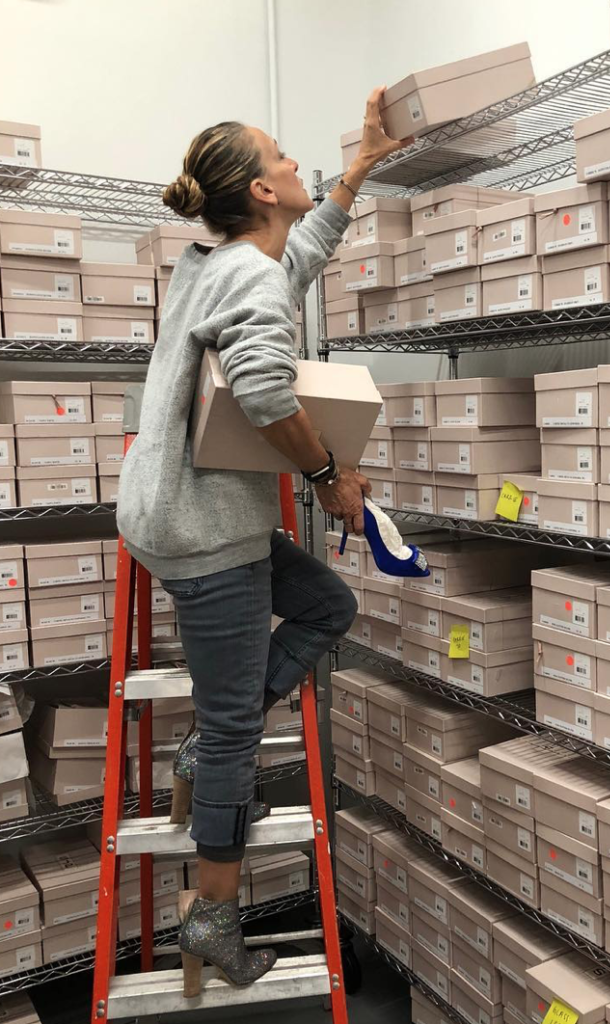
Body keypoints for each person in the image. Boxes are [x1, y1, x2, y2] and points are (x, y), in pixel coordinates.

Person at [116, 87, 411, 996]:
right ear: (261, 189)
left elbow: (296, 259)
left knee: (327, 603)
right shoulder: (246, 276)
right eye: (282, 157)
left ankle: (212, 741)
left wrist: (359, 170)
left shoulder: (219, 262)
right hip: (207, 533)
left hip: (183, 511)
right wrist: (330, 476)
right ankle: (211, 917)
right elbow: (266, 393)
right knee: (236, 727)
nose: (293, 163)